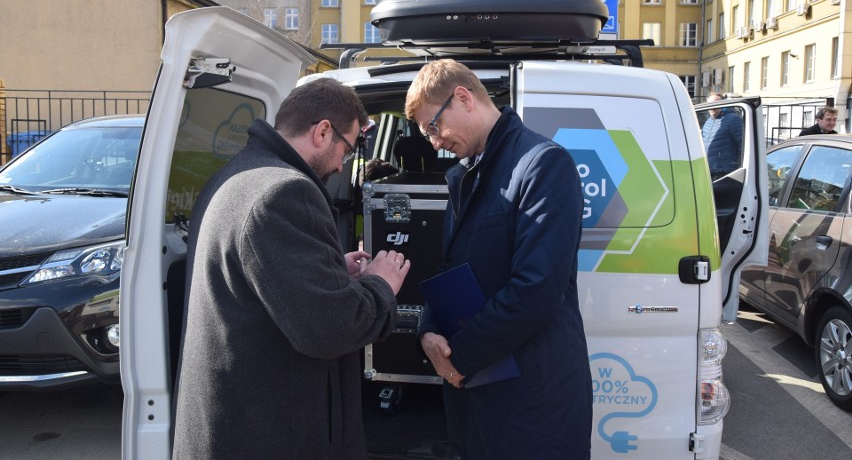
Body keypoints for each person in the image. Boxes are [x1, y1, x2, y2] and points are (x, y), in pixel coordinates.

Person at [171, 78, 411, 460]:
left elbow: (264, 283)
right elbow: (328, 328)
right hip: (270, 435)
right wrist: (381, 284)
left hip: (234, 428)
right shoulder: (285, 192)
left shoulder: (237, 173)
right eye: (346, 150)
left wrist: (333, 271)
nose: (341, 165)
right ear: (322, 132)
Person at [405, 59, 592, 460]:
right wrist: (428, 332)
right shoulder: (463, 175)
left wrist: (458, 359)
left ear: (463, 98)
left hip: (531, 402)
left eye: (434, 127)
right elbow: (448, 272)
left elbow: (536, 289)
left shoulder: (542, 163)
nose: (434, 143)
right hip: (476, 400)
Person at [702, 92, 744, 179]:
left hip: (724, 172)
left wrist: (740, 168)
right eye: (709, 105)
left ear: (722, 104)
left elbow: (742, 145)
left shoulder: (733, 119)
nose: (712, 107)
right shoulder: (707, 122)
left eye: (716, 104)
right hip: (708, 171)